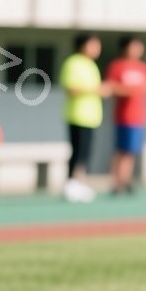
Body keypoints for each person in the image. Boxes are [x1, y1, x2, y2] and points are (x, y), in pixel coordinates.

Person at [58, 33, 106, 203]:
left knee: (85, 153)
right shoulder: (73, 63)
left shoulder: (92, 65)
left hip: (91, 117)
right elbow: (70, 88)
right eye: (93, 45)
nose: (97, 48)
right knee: (77, 152)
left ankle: (79, 184)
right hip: (78, 115)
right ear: (83, 45)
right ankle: (71, 185)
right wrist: (97, 90)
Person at [105, 36, 146, 196]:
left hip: (139, 116)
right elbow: (111, 87)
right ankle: (117, 182)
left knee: (132, 151)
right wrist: (130, 90)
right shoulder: (117, 66)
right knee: (121, 150)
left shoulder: (142, 67)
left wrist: (131, 90)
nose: (138, 50)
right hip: (123, 116)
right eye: (134, 46)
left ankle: (126, 180)